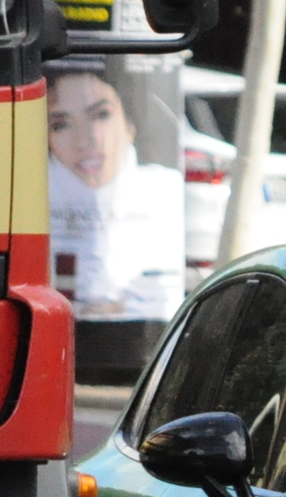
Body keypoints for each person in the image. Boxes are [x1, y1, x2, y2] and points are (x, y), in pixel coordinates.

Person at [46, 68, 185, 323]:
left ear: (129, 125)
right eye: (61, 124)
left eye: (100, 115)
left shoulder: (163, 188)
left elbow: (164, 293)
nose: (85, 140)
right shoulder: (32, 195)